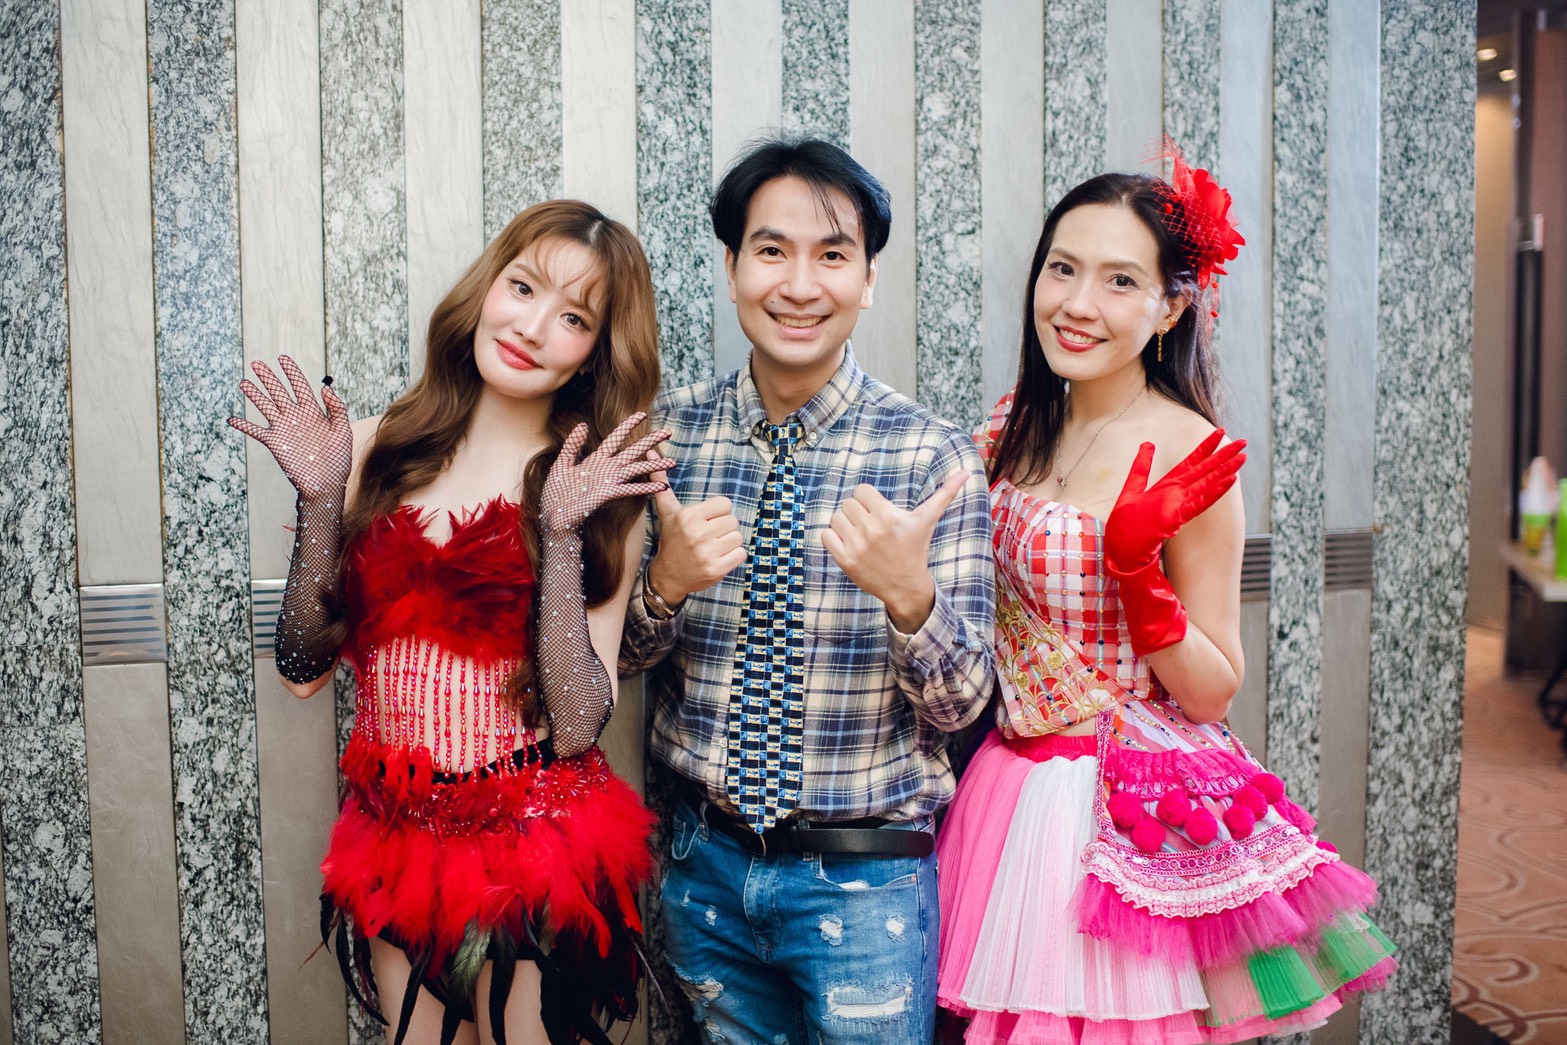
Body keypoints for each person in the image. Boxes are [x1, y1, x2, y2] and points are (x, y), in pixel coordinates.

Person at [935, 149, 1397, 1043]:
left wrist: (1138, 575)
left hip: (1116, 803)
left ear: (1170, 307)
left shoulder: (1193, 453)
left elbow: (1212, 689)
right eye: (1061, 268)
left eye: (1119, 281)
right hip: (1005, 783)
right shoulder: (1010, 423)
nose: (1077, 303)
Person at [228, 200, 670, 1045]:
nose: (532, 326)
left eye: (573, 317)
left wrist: (561, 535)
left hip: (536, 845)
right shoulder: (370, 447)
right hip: (396, 842)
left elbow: (579, 723)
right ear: (485, 288)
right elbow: (301, 668)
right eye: (523, 287)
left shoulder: (596, 489)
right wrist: (320, 501)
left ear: (593, 352)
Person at [618, 133, 996, 1042]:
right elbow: (612, 664)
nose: (798, 284)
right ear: (731, 267)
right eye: (771, 250)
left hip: (865, 879)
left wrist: (910, 600)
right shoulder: (667, 439)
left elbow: (963, 705)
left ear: (867, 277)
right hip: (701, 867)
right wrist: (662, 587)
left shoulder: (930, 455)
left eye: (831, 255)